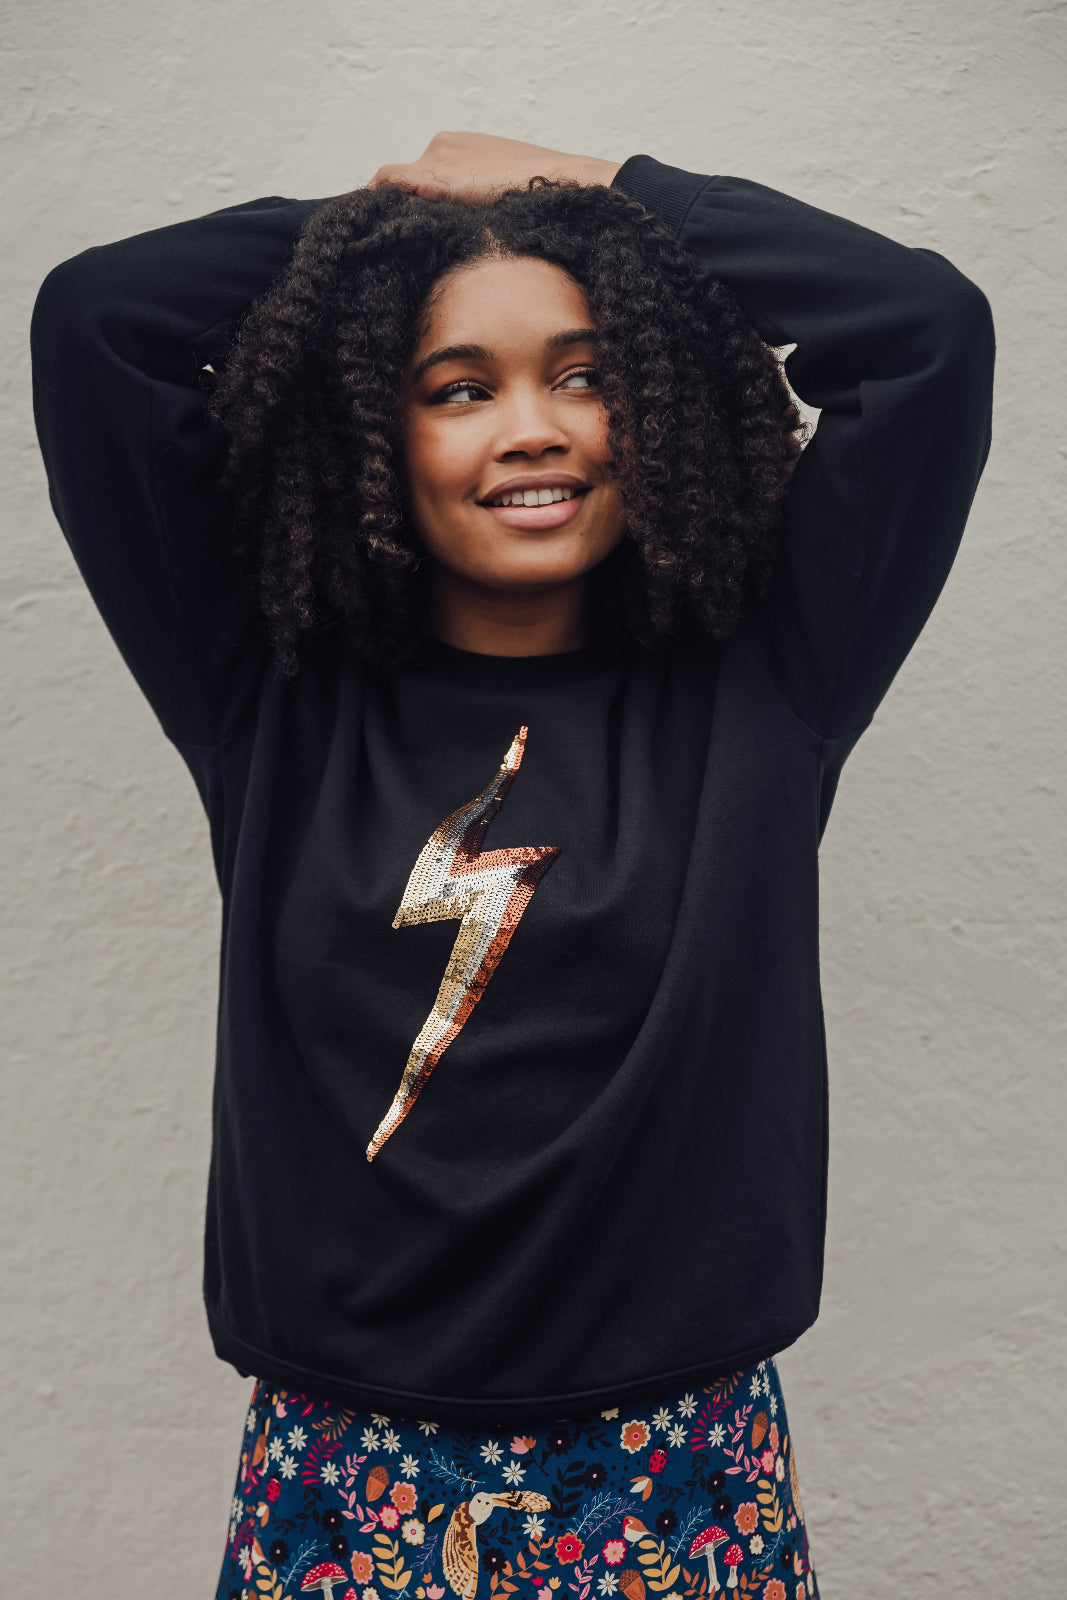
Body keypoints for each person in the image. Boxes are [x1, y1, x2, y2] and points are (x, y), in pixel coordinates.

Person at [30, 130, 994, 1599]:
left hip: (677, 1478)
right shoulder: (270, 696)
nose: (533, 426)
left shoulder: (767, 686)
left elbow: (925, 334)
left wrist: (617, 189)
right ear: (371, 428)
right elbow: (100, 322)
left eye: (588, 372)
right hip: (343, 1484)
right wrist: (380, 220)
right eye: (459, 389)